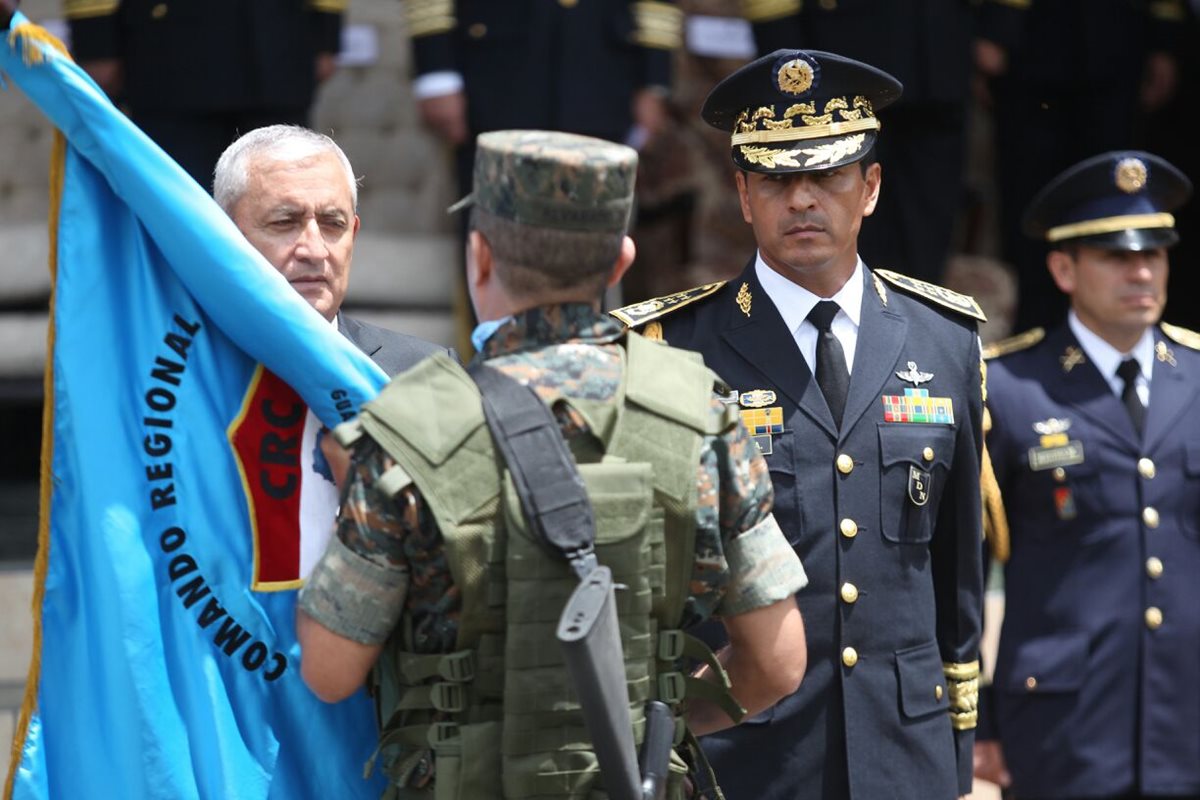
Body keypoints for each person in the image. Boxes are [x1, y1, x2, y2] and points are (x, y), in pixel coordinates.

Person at [295, 129, 810, 798]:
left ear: (478, 257)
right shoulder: (699, 412)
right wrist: (647, 724)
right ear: (621, 260)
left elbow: (330, 671)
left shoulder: (408, 427)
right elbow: (778, 661)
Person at [611, 49, 986, 799]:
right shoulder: (668, 350)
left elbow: (958, 582)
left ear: (870, 187)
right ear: (744, 194)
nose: (803, 200)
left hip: (904, 753)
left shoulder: (946, 339)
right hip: (745, 757)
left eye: (828, 177)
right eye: (779, 180)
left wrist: (957, 751)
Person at [975, 150, 1200, 799]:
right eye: (1116, 256)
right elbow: (961, 573)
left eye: (1152, 254)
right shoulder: (1010, 387)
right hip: (1060, 727)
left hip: (1186, 716)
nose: (1141, 271)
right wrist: (979, 720)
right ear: (1063, 267)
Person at [215, 124, 449, 580]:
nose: (314, 250)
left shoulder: (427, 376)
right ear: (225, 235)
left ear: (354, 234)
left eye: (333, 224)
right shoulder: (178, 386)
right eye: (284, 222)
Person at [974, 0, 1187, 333]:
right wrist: (999, 20)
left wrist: (1165, 35)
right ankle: (1038, 332)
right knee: (1030, 199)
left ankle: (1112, 333)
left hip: (1119, 33)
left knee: (1115, 200)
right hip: (1037, 36)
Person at [742, 0, 976, 286]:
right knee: (838, 207)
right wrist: (784, 54)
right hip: (841, 55)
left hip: (941, 52)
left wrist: (998, 22)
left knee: (929, 226)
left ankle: (912, 323)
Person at [65, 0, 345, 189]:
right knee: (179, 218)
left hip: (277, 48)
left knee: (281, 210)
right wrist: (95, 35)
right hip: (168, 55)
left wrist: (326, 26)